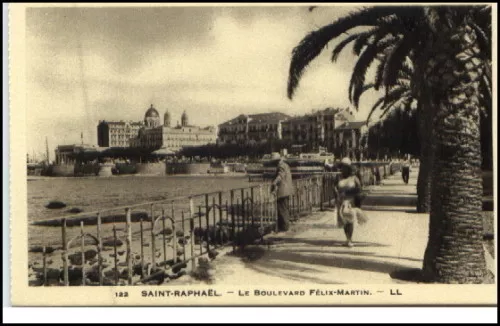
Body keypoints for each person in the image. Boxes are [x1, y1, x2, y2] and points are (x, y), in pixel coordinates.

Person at [335, 157, 365, 247]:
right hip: (341, 201)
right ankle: (347, 238)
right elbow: (335, 186)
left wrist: (348, 193)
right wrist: (337, 194)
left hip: (351, 201)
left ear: (349, 168)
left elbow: (359, 189)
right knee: (344, 221)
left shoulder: (354, 178)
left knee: (350, 220)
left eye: (345, 167)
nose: (343, 169)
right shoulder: (338, 177)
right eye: (342, 167)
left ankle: (350, 239)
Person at [270, 153, 294, 232]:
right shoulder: (285, 165)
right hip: (286, 190)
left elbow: (280, 176)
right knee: (284, 208)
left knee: (282, 209)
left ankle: (284, 227)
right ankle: (284, 226)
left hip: (282, 190)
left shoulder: (281, 166)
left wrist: (274, 182)